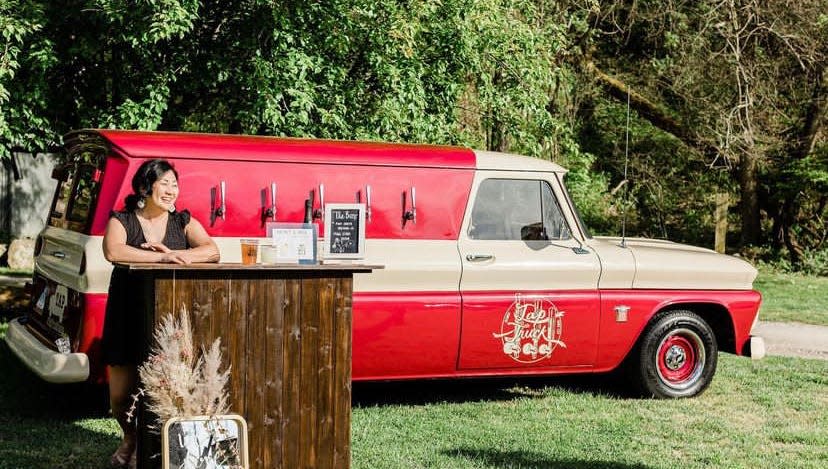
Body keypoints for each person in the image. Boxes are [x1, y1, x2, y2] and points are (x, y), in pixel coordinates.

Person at [102, 159, 220, 468]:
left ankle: (150, 446)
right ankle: (130, 436)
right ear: (144, 187)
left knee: (161, 388)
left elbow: (211, 250)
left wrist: (176, 255)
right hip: (127, 310)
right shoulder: (122, 219)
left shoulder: (183, 221)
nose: (171, 190)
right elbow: (114, 251)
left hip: (168, 317)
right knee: (120, 395)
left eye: (174, 184)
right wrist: (155, 260)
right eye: (164, 183)